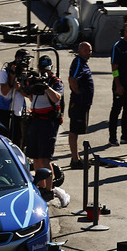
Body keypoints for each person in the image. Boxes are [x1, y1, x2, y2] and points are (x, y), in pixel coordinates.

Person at [25, 55, 64, 203]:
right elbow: (30, 96)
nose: (44, 72)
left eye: (46, 69)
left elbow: (57, 98)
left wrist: (46, 87)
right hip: (35, 120)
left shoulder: (55, 82)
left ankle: (48, 190)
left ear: (51, 68)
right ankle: (40, 187)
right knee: (35, 157)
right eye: (42, 69)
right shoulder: (35, 81)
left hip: (48, 123)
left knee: (45, 158)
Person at [0, 48, 30, 147]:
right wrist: (11, 78)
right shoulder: (5, 72)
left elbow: (28, 94)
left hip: (18, 111)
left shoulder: (25, 73)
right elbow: (4, 92)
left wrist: (19, 88)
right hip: (4, 110)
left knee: (18, 139)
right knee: (3, 139)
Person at [68, 42, 94, 170]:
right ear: (79, 50)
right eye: (86, 50)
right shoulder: (78, 62)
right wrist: (78, 93)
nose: (88, 52)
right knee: (74, 131)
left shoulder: (83, 63)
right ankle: (75, 159)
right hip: (78, 103)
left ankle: (76, 157)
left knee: (77, 131)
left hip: (83, 104)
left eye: (90, 50)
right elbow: (72, 79)